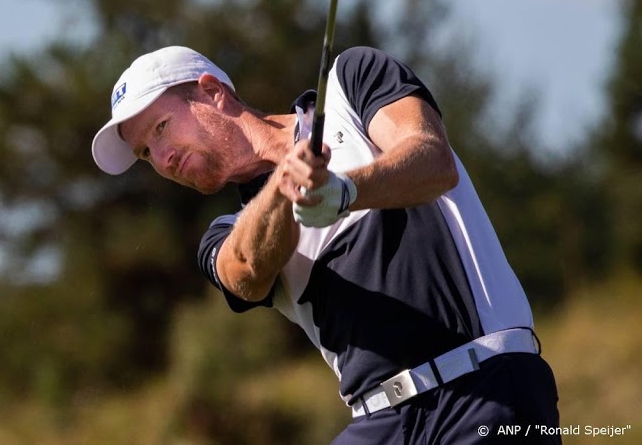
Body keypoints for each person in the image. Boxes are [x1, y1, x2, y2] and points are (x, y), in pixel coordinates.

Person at [91, 45, 560, 443]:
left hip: (488, 386)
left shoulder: (353, 84)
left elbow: (432, 160)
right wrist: (286, 186)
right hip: (379, 422)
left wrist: (345, 192)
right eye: (144, 154)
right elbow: (245, 273)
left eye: (160, 129)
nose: (162, 159)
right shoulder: (226, 231)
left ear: (212, 93)